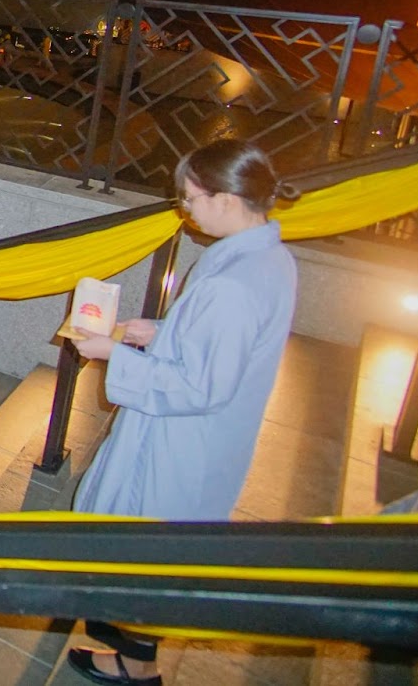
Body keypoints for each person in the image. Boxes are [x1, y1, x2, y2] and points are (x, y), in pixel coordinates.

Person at [66, 139, 299, 686]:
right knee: (153, 550)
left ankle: (138, 666)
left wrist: (113, 354)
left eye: (191, 198)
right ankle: (129, 651)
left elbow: (199, 385)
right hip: (203, 437)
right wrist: (161, 332)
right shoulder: (267, 258)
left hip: (182, 441)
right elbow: (222, 351)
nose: (184, 209)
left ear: (225, 199)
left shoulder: (235, 284)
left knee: (151, 551)